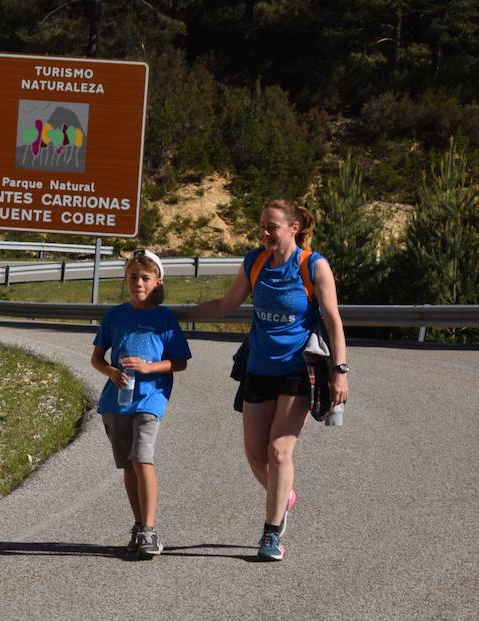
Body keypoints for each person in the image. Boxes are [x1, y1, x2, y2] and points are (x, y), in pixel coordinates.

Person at [176, 199, 348, 561]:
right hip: (258, 366)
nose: (265, 233)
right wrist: (177, 314)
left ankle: (271, 534)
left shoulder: (312, 265)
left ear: (293, 228)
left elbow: (332, 319)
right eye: (261, 226)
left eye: (272, 226)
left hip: (297, 368)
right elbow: (226, 304)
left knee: (279, 451)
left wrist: (340, 370)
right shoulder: (255, 262)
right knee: (256, 455)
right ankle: (282, 494)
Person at [89, 250, 191, 558]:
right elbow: (97, 358)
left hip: (151, 399)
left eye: (145, 277)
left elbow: (180, 362)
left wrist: (148, 368)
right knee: (129, 465)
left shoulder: (164, 319)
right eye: (133, 277)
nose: (138, 283)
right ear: (125, 280)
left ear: (157, 281)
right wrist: (110, 371)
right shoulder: (115, 315)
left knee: (142, 459)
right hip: (116, 401)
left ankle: (150, 529)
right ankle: (137, 525)